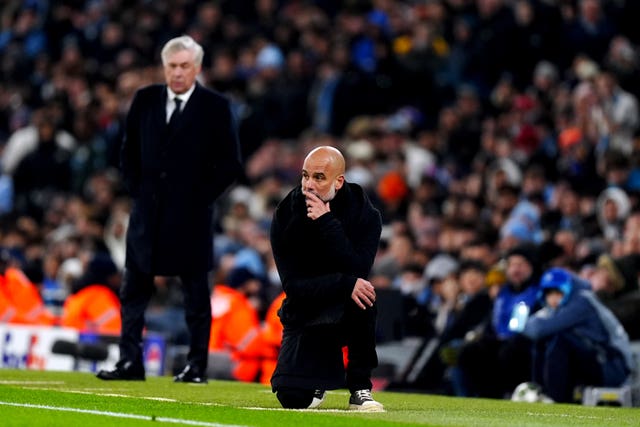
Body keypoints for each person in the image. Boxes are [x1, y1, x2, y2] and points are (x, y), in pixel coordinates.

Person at [97, 35, 242, 383]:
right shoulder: (145, 99)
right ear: (164, 67)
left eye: (184, 66)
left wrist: (199, 198)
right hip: (147, 213)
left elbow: (230, 164)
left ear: (197, 68)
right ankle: (130, 361)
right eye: (172, 66)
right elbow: (127, 151)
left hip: (191, 217)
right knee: (133, 290)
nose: (177, 73)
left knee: (195, 294)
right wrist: (137, 191)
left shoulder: (215, 106)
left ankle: (196, 366)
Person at [269, 146, 384, 411]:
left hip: (344, 306)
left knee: (364, 294)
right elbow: (293, 287)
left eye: (319, 177)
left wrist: (327, 222)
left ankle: (360, 388)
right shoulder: (287, 214)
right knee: (292, 398)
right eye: (305, 176)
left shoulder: (365, 215)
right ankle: (318, 378)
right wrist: (344, 282)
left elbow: (357, 269)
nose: (309, 185)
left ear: (339, 181)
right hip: (304, 309)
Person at [521, 267, 633, 403]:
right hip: (595, 362)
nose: (553, 298)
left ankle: (553, 399)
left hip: (612, 366)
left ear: (567, 289)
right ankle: (539, 391)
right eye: (549, 294)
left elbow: (536, 329)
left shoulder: (581, 302)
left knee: (560, 340)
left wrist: (527, 324)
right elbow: (533, 328)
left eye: (558, 292)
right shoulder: (559, 308)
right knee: (545, 340)